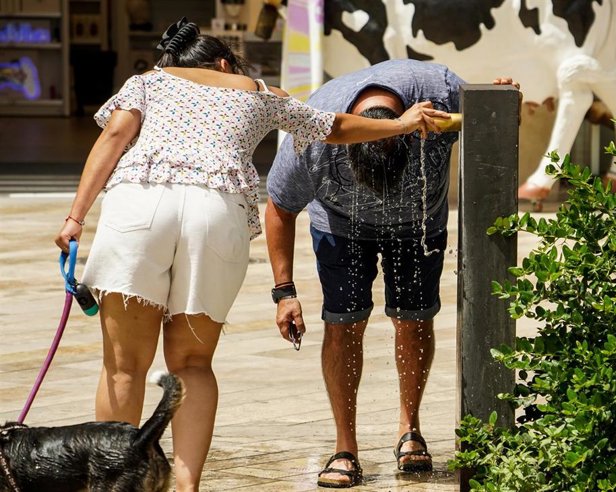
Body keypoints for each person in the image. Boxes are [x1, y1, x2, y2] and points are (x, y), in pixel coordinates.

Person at [53, 19, 448, 492]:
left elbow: (113, 139)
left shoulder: (145, 83)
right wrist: (404, 123)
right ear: (224, 62)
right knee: (192, 364)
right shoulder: (259, 91)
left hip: (139, 205)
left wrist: (76, 217)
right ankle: (185, 486)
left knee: (123, 366)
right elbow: (335, 127)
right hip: (214, 212)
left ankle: (118, 484)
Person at [265, 58, 518, 488]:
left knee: (415, 319)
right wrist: (284, 291)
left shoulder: (441, 91)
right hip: (340, 226)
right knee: (344, 324)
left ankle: (409, 429)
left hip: (419, 223)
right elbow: (280, 207)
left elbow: (493, 120)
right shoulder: (313, 131)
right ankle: (345, 446)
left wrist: (501, 99)